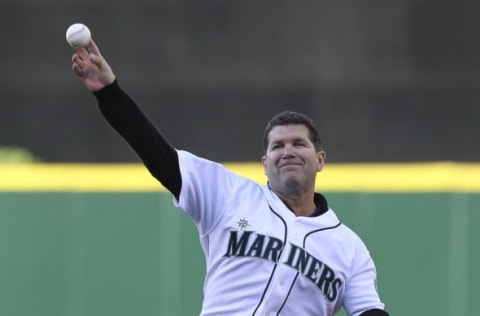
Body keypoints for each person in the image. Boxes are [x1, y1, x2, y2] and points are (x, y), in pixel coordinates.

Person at [70, 39, 389, 316]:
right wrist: (110, 94)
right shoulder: (228, 195)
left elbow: (369, 310)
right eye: (277, 146)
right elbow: (156, 153)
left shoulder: (349, 248)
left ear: (320, 160)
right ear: (265, 163)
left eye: (299, 144)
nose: (288, 151)